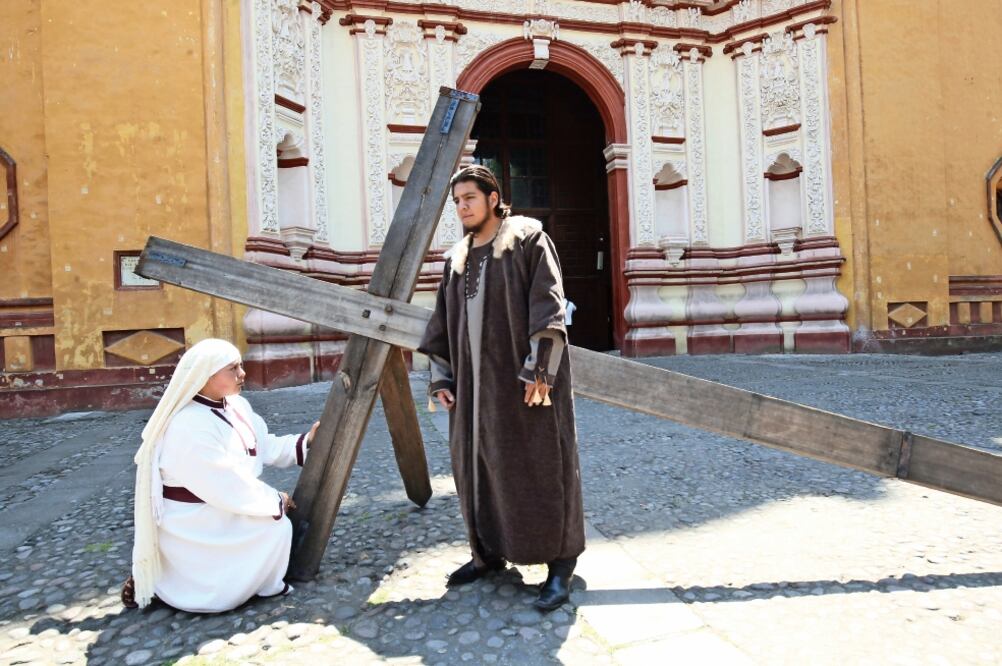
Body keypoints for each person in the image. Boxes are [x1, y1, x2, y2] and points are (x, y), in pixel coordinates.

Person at [419, 164, 585, 611]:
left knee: (541, 468)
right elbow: (440, 326)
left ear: (493, 197)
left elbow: (547, 304)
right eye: (456, 201)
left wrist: (541, 371)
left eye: (469, 198)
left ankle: (560, 564)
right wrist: (442, 378)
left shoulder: (528, 239)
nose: (462, 207)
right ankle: (487, 552)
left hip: (526, 385)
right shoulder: (457, 259)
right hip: (473, 392)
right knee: (478, 470)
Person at [123, 338, 319, 613]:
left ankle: (253, 582)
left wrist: (306, 441)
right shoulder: (187, 424)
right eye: (233, 368)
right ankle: (174, 583)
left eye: (241, 366)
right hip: (196, 522)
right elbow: (222, 482)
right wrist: (275, 500)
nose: (243, 374)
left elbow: (263, 445)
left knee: (276, 527)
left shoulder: (237, 406)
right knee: (275, 527)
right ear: (206, 376)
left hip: (225, 505)